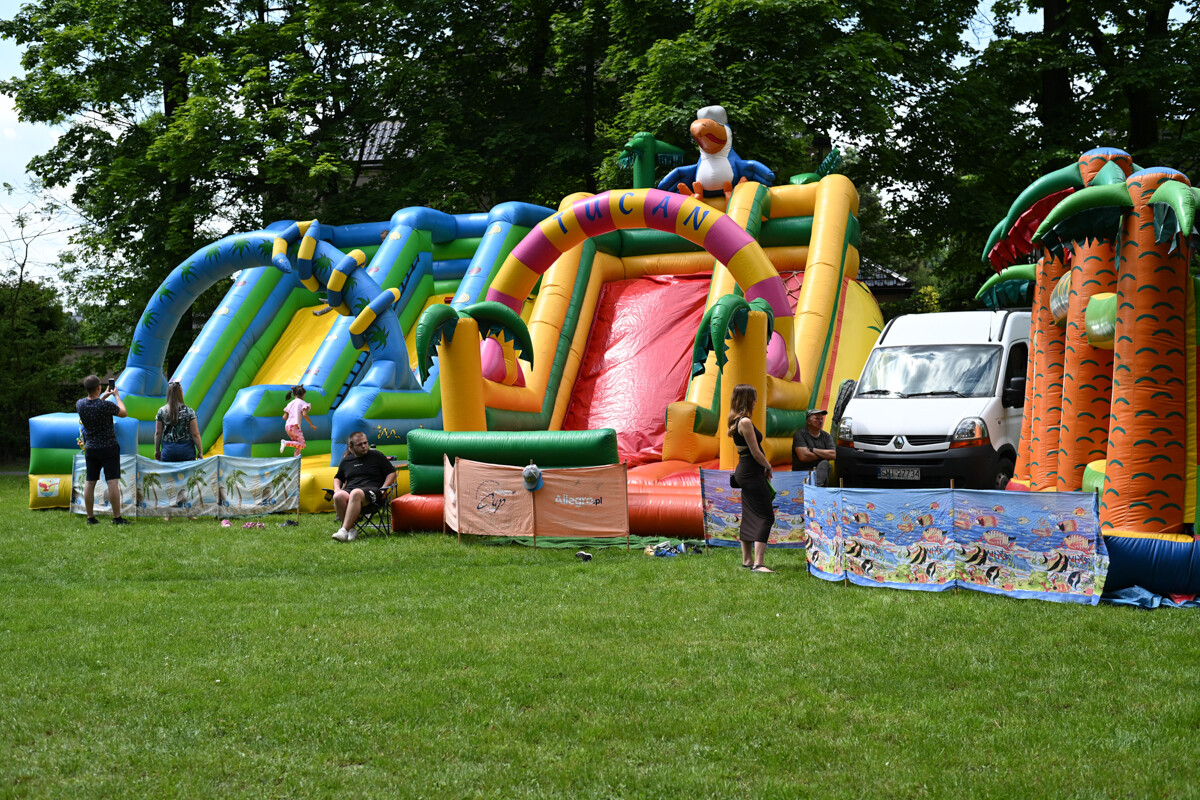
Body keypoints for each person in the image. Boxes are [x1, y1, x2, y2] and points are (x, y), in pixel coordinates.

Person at [730, 383, 775, 573]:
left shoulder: (737, 421)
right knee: (766, 515)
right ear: (748, 399)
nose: (756, 401)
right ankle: (758, 564)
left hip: (746, 472)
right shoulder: (745, 422)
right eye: (754, 397)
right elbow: (755, 452)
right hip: (750, 472)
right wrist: (768, 466)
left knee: (749, 514)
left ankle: (747, 560)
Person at [77, 375, 130, 525]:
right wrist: (117, 396)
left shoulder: (80, 404)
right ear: (99, 387)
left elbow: (94, 405)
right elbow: (124, 412)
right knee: (112, 482)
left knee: (90, 482)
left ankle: (90, 518)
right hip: (109, 448)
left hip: (91, 448)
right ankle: (117, 518)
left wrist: (103, 396)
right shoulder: (105, 406)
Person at [331, 431, 396, 542]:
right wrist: (337, 489)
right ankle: (351, 530)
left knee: (356, 492)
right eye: (359, 444)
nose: (364, 446)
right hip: (350, 491)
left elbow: (392, 472)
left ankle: (343, 531)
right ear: (351, 447)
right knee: (338, 496)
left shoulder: (376, 456)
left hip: (373, 493)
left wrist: (384, 488)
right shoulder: (347, 461)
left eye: (365, 443)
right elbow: (338, 477)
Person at [155, 381, 203, 462]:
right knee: (188, 474)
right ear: (181, 393)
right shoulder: (189, 411)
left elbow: (158, 433)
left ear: (168, 394)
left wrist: (157, 450)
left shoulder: (161, 411)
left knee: (169, 474)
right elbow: (195, 434)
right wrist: (200, 452)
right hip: (186, 450)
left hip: (168, 450)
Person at [792, 408, 836, 486]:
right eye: (817, 419)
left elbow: (833, 455)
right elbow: (804, 456)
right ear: (809, 421)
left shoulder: (826, 436)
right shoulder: (800, 434)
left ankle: (816, 487)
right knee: (825, 462)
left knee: (825, 464)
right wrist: (824, 455)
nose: (820, 421)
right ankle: (817, 488)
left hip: (822, 469)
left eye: (821, 419)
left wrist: (813, 450)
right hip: (803, 470)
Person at [280, 385, 317, 456]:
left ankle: (295, 461)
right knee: (302, 445)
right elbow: (305, 415)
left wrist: (288, 415)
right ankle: (285, 443)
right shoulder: (302, 403)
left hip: (288, 427)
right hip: (295, 426)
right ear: (303, 395)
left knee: (298, 445)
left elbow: (284, 417)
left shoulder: (290, 403)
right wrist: (311, 424)